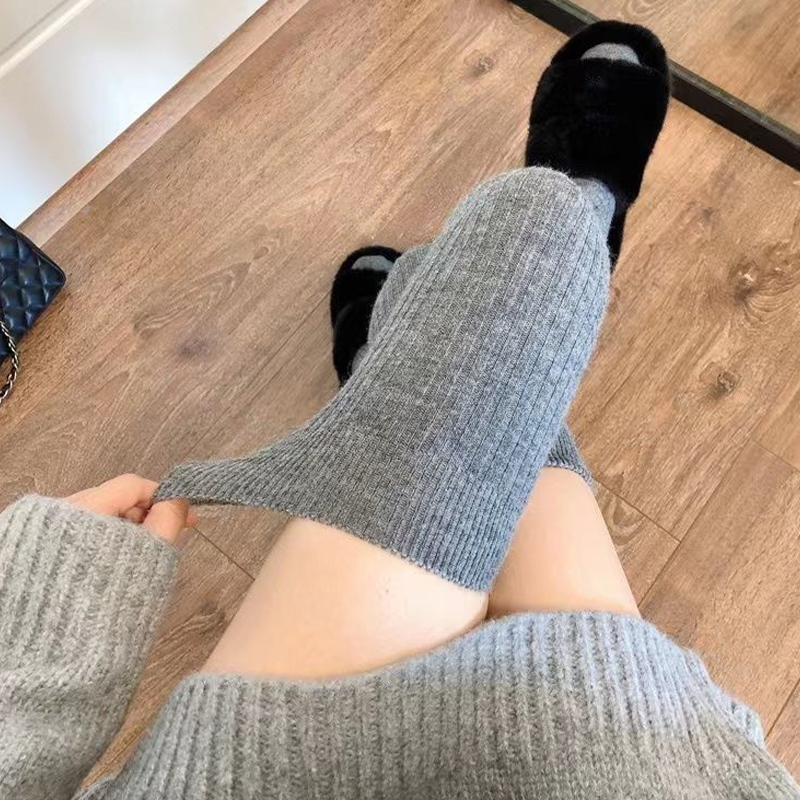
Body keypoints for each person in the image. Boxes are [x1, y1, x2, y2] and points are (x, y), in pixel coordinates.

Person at [1, 20, 798, 800]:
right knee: (528, 262)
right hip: (615, 755)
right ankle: (578, 212)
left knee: (485, 368)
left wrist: (45, 631)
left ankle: (400, 340)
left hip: (290, 765)